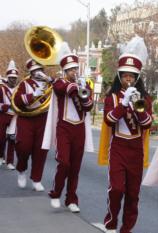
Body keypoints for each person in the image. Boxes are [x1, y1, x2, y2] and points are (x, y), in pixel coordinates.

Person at [101, 36, 152, 233]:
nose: (128, 79)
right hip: (119, 149)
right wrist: (123, 104)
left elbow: (147, 124)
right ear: (119, 76)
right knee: (116, 189)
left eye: (132, 76)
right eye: (125, 75)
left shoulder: (143, 98)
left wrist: (137, 105)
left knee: (133, 194)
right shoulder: (112, 97)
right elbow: (109, 120)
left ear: (137, 78)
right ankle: (111, 223)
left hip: (136, 151)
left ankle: (127, 228)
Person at [47, 53, 94, 213]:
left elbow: (88, 106)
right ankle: (55, 193)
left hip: (79, 129)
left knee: (75, 167)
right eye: (70, 70)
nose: (74, 72)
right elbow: (61, 88)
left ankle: (71, 199)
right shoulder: (60, 83)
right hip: (64, 129)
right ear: (65, 71)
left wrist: (84, 88)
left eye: (75, 68)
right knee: (64, 162)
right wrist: (76, 86)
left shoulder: (84, 85)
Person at [13, 59, 52, 191]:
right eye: (35, 70)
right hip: (26, 119)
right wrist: (33, 95)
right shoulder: (25, 83)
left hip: (43, 119)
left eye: (40, 69)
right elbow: (17, 101)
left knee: (41, 150)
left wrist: (51, 81)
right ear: (31, 72)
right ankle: (22, 169)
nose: (39, 73)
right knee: (23, 147)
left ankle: (36, 179)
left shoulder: (49, 84)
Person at [0, 60, 18, 169]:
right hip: (3, 116)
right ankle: (1, 156)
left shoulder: (18, 89)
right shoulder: (2, 88)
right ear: (8, 78)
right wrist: (7, 107)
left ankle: (10, 162)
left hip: (15, 117)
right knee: (1, 138)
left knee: (12, 139)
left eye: (15, 78)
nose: (13, 80)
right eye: (11, 78)